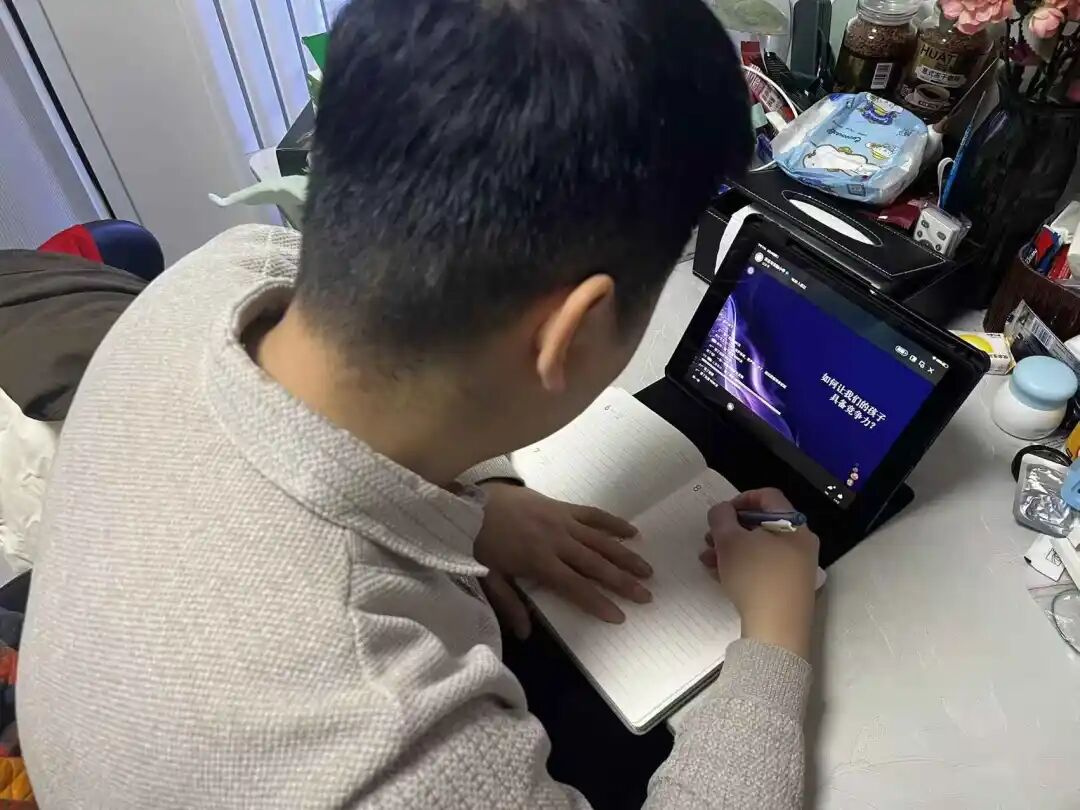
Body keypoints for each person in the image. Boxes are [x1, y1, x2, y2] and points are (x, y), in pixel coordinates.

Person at [18, 0, 820, 807]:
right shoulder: (388, 740)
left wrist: (476, 501)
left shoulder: (218, 276)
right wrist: (776, 637)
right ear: (571, 334)